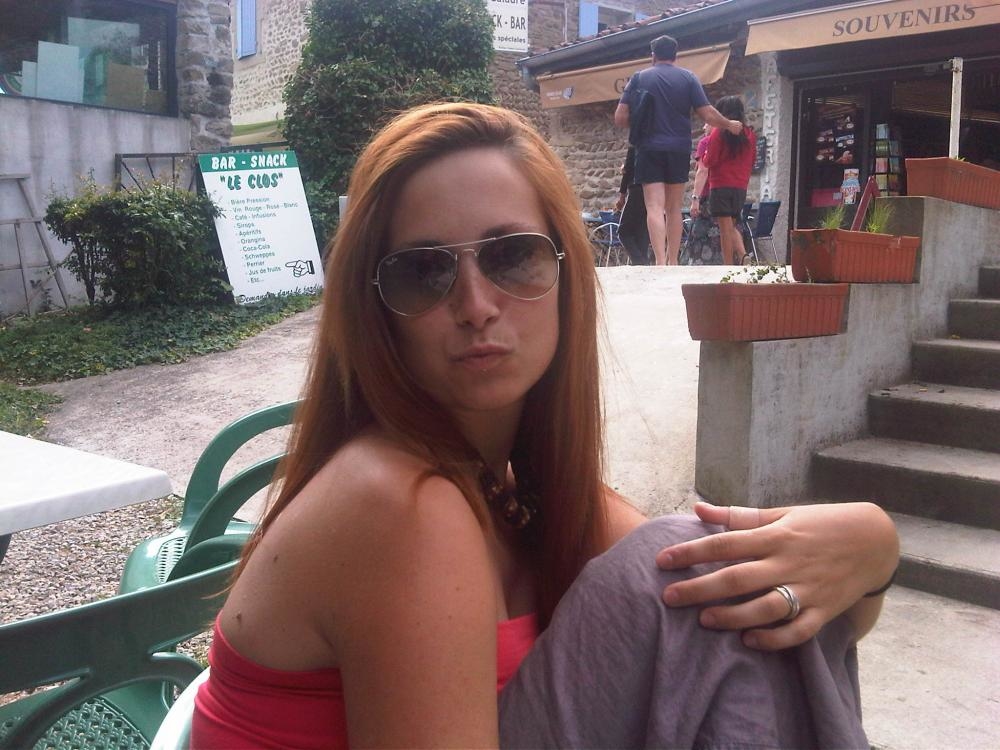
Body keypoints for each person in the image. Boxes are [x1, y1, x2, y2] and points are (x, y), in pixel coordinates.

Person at [191, 102, 899, 748]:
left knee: (698, 575)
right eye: (422, 272)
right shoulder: (398, 503)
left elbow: (742, 601)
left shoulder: (516, 490)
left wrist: (869, 554)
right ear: (374, 311)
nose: (475, 305)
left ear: (566, 273)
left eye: (513, 256)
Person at [614, 35, 742, 266]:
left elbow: (620, 118)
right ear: (676, 55)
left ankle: (660, 262)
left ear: (653, 55)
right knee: (673, 208)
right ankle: (673, 261)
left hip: (648, 149)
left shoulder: (639, 78)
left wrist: (642, 120)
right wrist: (729, 124)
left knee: (654, 207)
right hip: (678, 149)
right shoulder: (688, 78)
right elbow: (707, 113)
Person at [702, 95, 756, 265]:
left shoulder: (719, 132)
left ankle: (728, 266)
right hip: (740, 186)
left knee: (724, 229)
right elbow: (752, 160)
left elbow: (709, 160)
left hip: (720, 185)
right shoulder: (749, 134)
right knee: (731, 226)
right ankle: (742, 256)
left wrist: (704, 154)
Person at [681, 122, 723, 265]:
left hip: (708, 196)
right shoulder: (729, 143)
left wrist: (695, 199)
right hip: (726, 194)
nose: (704, 127)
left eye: (707, 124)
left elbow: (702, 171)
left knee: (700, 237)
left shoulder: (706, 142)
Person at [613, 145, 651, 265]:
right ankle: (643, 260)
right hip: (652, 190)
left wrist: (622, 197)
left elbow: (628, 170)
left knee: (623, 231)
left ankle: (639, 261)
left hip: (636, 189)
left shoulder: (635, 144)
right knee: (642, 230)